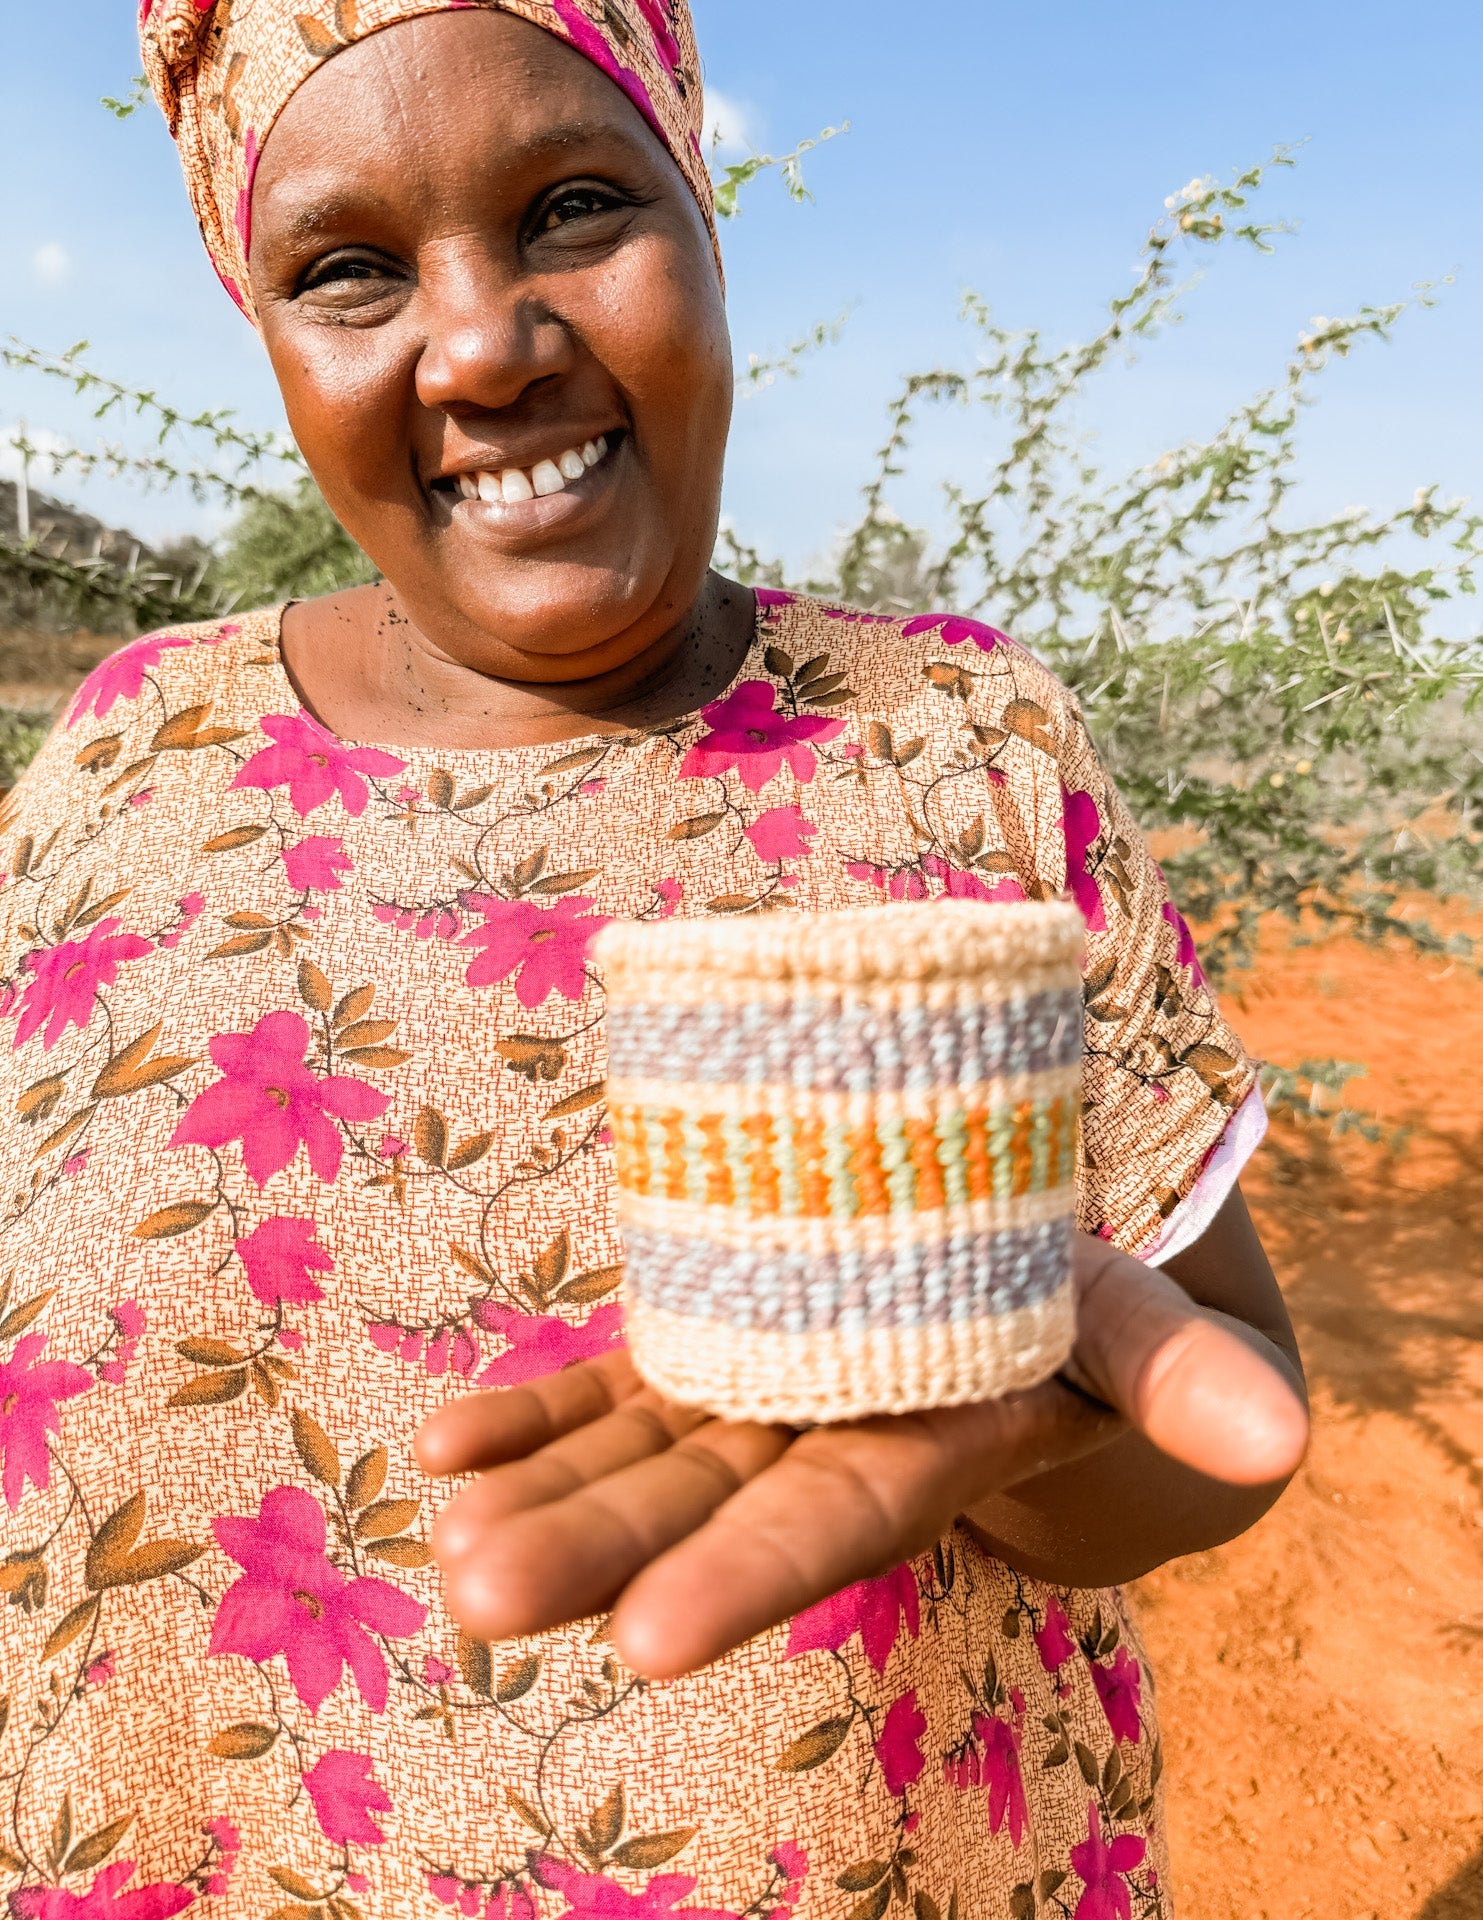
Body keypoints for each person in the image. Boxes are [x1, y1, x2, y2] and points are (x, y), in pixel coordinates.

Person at [0, 2, 1308, 1914]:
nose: (479, 340)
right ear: (268, 339)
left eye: (573, 207)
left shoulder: (954, 740)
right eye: (350, 268)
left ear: (706, 228)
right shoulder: (125, 754)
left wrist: (1005, 1423)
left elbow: (1219, 1391)